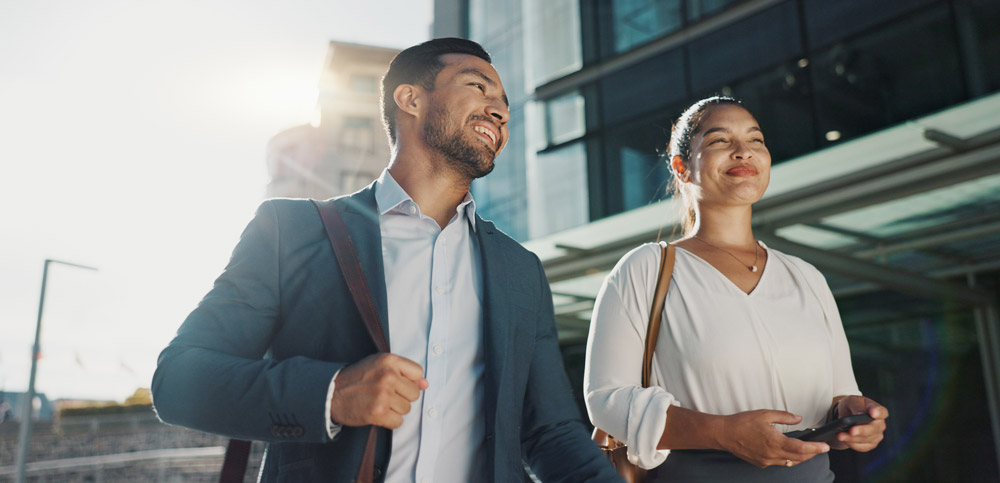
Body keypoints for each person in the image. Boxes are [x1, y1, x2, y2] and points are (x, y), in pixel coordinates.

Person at [152, 38, 621, 483]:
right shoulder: (290, 231)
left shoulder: (520, 269)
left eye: (504, 105)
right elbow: (179, 380)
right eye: (477, 86)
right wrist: (331, 394)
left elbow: (550, 432)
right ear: (410, 99)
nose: (499, 111)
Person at [583, 96, 888, 482]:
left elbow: (840, 396)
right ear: (681, 168)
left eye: (755, 140)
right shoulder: (646, 268)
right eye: (720, 141)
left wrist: (854, 419)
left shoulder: (806, 277)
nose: (744, 151)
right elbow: (606, 400)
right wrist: (723, 433)